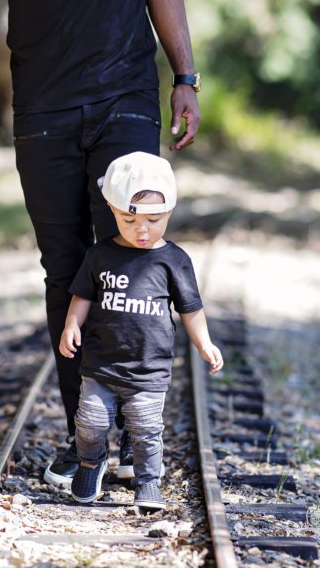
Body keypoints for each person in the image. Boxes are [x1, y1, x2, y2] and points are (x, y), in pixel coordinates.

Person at [0, 0, 203, 489]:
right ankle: (86, 437)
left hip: (126, 96)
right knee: (66, 270)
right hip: (42, 108)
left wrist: (185, 76)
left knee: (132, 258)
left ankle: (137, 432)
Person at [59, 152, 223, 509]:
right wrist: (72, 324)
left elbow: (190, 309)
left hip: (148, 370)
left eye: (153, 220)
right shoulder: (100, 255)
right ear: (112, 210)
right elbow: (82, 295)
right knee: (90, 423)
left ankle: (148, 483)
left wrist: (204, 343)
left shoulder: (174, 261)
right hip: (101, 365)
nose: (142, 229)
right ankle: (90, 464)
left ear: (170, 212)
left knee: (146, 431)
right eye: (129, 220)